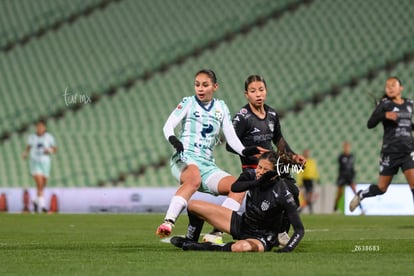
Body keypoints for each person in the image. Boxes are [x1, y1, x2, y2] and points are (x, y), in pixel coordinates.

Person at [156, 69, 264, 238]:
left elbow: (231, 135)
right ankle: (168, 221)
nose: (200, 88)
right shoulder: (188, 102)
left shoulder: (221, 107)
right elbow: (168, 125)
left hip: (207, 165)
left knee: (240, 186)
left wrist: (244, 150)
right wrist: (174, 140)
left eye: (205, 85)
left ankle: (217, 231)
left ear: (215, 87)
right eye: (197, 84)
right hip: (185, 158)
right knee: (193, 179)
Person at [222, 74, 305, 245]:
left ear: (266, 91)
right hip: (254, 169)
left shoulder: (272, 114)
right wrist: (252, 153)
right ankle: (221, 229)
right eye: (253, 91)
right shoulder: (243, 117)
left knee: (294, 194)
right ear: (246, 94)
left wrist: (294, 156)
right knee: (276, 197)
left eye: (261, 90)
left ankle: (281, 231)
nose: (258, 94)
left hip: (275, 167)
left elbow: (279, 140)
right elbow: (230, 145)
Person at [171, 151, 305, 253]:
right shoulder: (251, 175)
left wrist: (288, 249)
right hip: (242, 224)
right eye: (259, 167)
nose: (260, 172)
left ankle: (198, 247)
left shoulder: (282, 192)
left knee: (241, 247)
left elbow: (299, 230)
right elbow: (235, 187)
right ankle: (190, 239)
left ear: (275, 174)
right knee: (194, 205)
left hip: (262, 237)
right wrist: (256, 182)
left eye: (266, 170)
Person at [350, 76, 414, 211]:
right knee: (382, 188)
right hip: (390, 152)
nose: (389, 88)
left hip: (408, 150)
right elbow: (370, 124)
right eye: (387, 86)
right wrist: (384, 116)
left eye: (393, 85)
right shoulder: (384, 104)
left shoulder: (409, 104)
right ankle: (361, 194)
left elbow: (408, 124)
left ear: (400, 88)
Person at [22, 119, 57, 213]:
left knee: (43, 183)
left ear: (44, 128)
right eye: (38, 127)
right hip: (35, 162)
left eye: (41, 127)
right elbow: (29, 146)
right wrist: (25, 153)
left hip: (45, 163)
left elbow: (54, 149)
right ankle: (43, 205)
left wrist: (49, 150)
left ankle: (36, 201)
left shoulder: (49, 137)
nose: (39, 128)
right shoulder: (32, 137)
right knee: (39, 182)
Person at [333, 141, 359, 213]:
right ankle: (335, 209)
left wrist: (353, 175)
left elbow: (352, 168)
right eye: (345, 147)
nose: (346, 148)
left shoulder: (352, 156)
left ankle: (361, 209)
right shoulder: (341, 156)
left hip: (350, 177)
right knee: (339, 194)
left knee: (355, 193)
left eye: (348, 147)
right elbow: (341, 168)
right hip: (342, 176)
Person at [297, 149, 319, 214]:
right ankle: (309, 209)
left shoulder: (312, 161)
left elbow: (314, 171)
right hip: (305, 181)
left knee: (309, 196)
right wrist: (300, 182)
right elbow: (300, 172)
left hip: (311, 180)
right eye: (306, 153)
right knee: (308, 196)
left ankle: (302, 209)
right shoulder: (302, 162)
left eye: (308, 153)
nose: (307, 154)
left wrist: (317, 178)